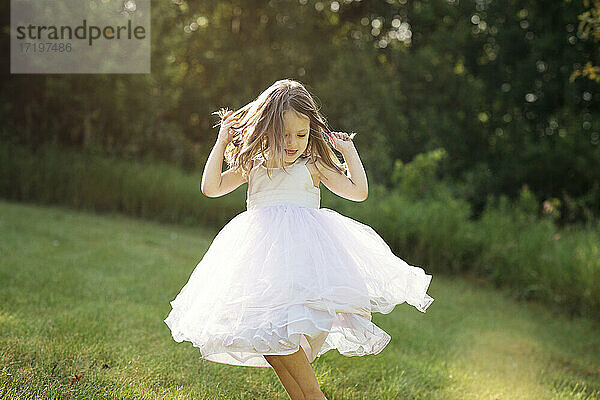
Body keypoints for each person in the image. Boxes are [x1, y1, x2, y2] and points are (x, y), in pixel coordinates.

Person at [164, 79, 434, 400]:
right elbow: (211, 187)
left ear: (311, 131)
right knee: (268, 338)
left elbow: (358, 192)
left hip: (303, 262)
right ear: (267, 129)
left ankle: (314, 396)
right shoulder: (255, 163)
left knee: (280, 335)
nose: (293, 143)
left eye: (301, 135)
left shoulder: (313, 164)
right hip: (261, 262)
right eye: (284, 134)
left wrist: (348, 151)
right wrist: (223, 140)